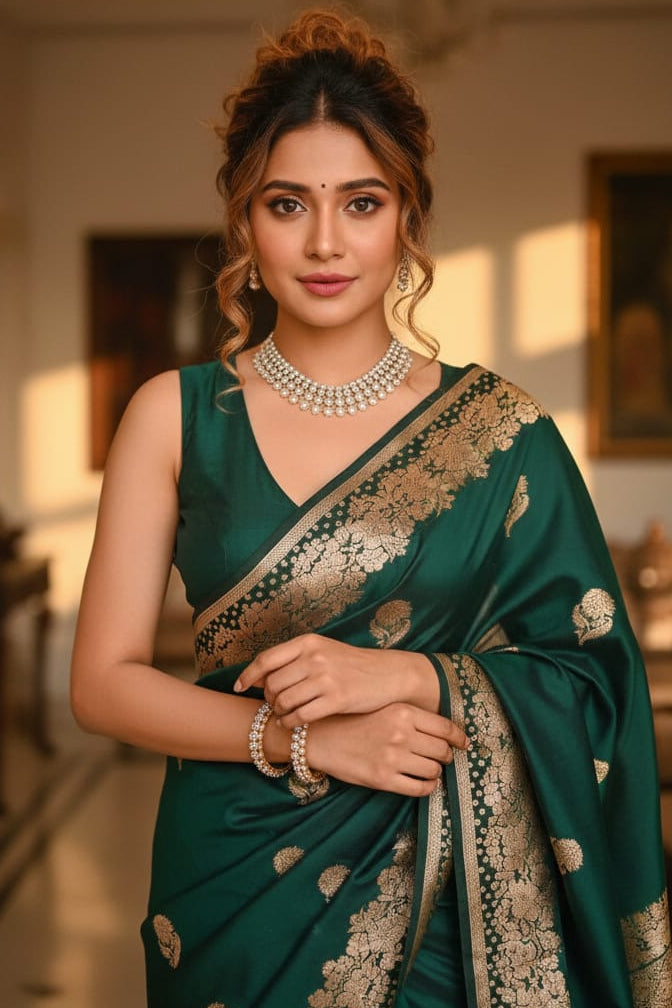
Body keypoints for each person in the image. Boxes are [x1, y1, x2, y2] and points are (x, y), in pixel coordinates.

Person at [70, 8, 672, 1007]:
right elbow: (103, 684)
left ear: (406, 216)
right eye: (286, 203)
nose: (323, 242)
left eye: (359, 202)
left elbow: (589, 674)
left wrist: (410, 679)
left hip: (448, 898)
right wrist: (302, 739)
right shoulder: (173, 418)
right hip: (233, 888)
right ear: (243, 220)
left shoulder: (502, 433)